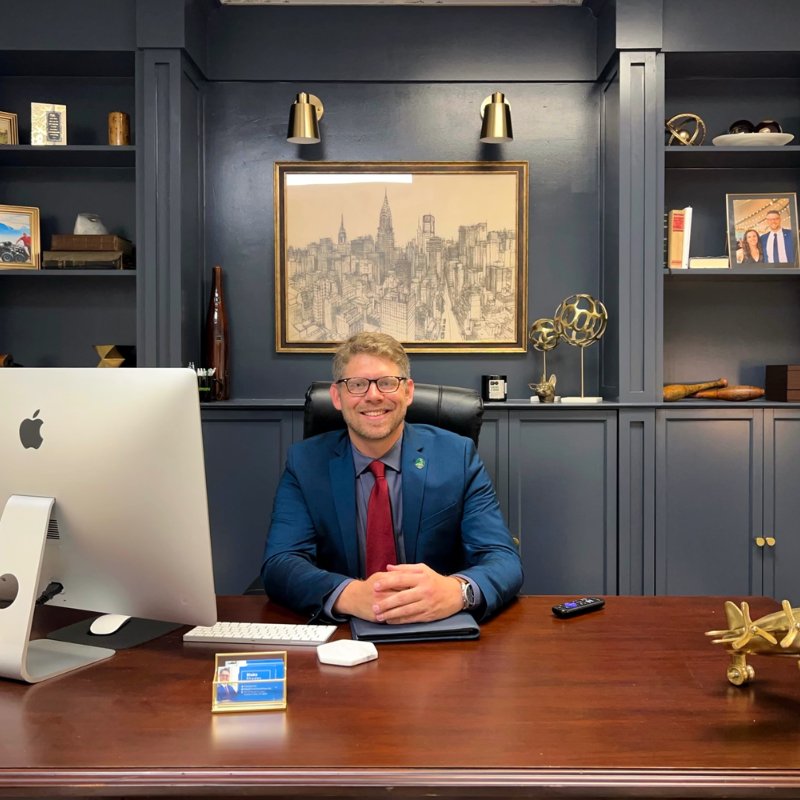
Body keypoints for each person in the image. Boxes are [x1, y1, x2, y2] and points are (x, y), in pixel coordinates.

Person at [261, 332, 523, 624]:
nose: (373, 396)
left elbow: (503, 558)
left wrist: (457, 591)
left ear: (408, 392)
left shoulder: (457, 456)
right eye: (357, 384)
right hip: (344, 636)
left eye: (386, 383)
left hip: (437, 631)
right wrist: (349, 594)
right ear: (337, 397)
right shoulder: (306, 462)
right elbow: (280, 563)